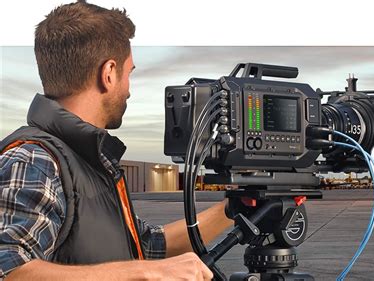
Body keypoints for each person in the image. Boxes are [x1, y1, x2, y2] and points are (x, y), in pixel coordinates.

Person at [0, 1, 233, 280]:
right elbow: (10, 269)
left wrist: (231, 210)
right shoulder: (34, 160)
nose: (128, 90)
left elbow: (146, 246)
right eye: (129, 73)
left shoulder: (88, 163)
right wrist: (145, 272)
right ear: (109, 74)